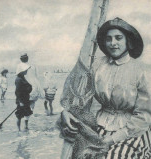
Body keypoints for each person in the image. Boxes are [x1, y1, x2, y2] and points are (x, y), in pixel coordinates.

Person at [59, 17, 151, 158]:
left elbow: (144, 116)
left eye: (118, 38)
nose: (113, 43)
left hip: (132, 130)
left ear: (128, 41)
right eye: (109, 39)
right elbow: (79, 94)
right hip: (99, 125)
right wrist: (67, 112)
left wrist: (113, 139)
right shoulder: (97, 66)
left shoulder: (141, 71)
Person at [15, 63, 32, 131]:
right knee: (19, 116)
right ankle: (18, 129)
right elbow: (17, 92)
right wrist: (20, 101)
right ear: (21, 71)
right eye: (25, 70)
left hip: (26, 99)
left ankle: (26, 127)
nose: (26, 71)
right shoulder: (18, 79)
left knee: (27, 114)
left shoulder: (23, 78)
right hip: (21, 100)